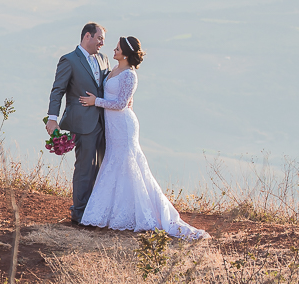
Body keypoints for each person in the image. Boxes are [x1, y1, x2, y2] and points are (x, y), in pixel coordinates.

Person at [76, 36, 208, 240]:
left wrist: (96, 102)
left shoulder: (130, 75)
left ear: (126, 54)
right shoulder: (114, 70)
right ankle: (112, 212)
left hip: (124, 125)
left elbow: (121, 104)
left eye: (118, 48)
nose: (114, 50)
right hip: (113, 126)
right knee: (115, 162)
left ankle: (136, 213)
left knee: (128, 165)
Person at [46, 23, 108, 225]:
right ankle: (79, 212)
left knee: (102, 167)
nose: (102, 43)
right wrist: (52, 118)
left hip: (104, 122)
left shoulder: (104, 59)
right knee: (84, 168)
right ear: (87, 36)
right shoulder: (69, 60)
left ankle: (95, 209)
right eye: (99, 38)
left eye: (103, 40)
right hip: (82, 123)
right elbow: (58, 90)